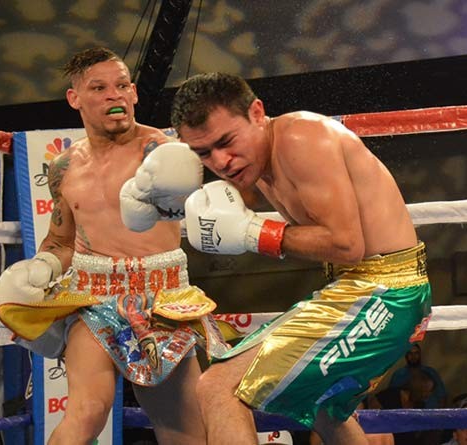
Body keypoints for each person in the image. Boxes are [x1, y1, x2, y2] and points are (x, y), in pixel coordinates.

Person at [172, 72, 432, 445]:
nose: (221, 161)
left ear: (257, 113)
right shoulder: (255, 163)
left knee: (218, 386)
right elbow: (229, 207)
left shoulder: (300, 139)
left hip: (385, 292)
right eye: (203, 153)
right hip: (360, 288)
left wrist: (254, 233)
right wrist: (162, 199)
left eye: (226, 142)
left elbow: (346, 245)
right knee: (323, 406)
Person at [0, 47, 223, 445]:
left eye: (121, 86)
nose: (113, 95)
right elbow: (61, 239)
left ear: (133, 94)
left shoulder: (163, 151)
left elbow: (210, 203)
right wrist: (44, 264)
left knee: (183, 431)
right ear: (75, 98)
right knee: (86, 412)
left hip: (163, 299)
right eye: (99, 87)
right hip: (94, 296)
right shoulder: (64, 167)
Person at [388, 342, 447, 408]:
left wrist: (439, 415)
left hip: (432, 413)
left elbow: (442, 397)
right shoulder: (398, 375)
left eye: (416, 353)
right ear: (406, 355)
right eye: (410, 353)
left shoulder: (431, 372)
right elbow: (391, 398)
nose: (413, 357)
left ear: (420, 355)